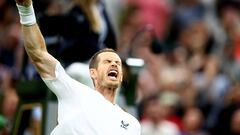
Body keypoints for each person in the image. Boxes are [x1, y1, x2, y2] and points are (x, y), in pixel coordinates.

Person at [15, 0, 141, 134]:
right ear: (93, 72)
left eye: (117, 63)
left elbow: (112, 41)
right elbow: (39, 54)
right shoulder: (73, 91)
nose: (114, 64)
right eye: (107, 61)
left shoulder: (132, 123)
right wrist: (26, 10)